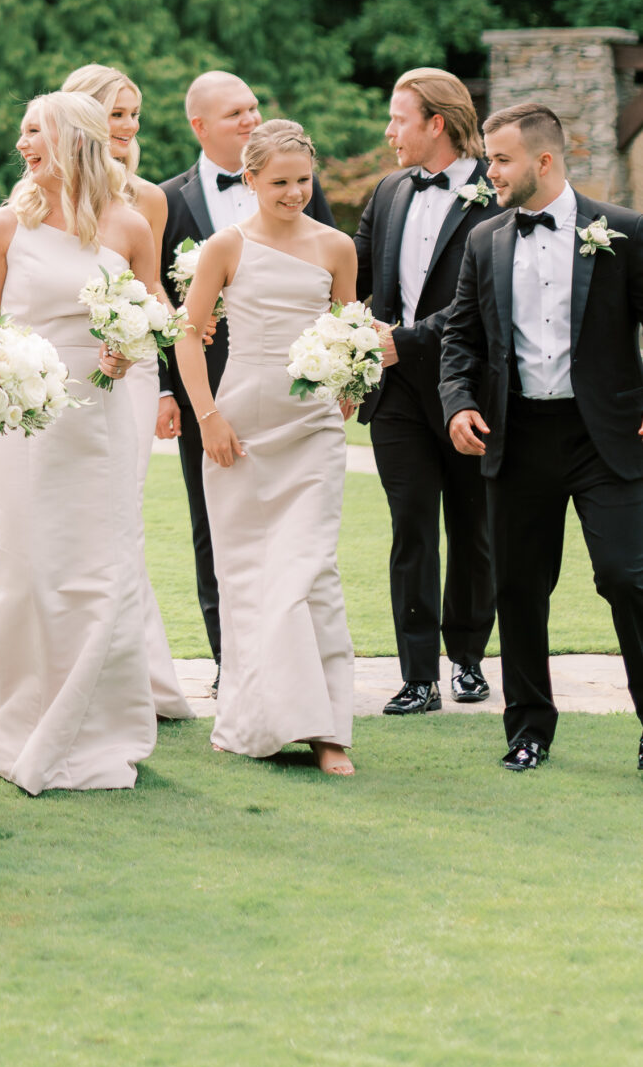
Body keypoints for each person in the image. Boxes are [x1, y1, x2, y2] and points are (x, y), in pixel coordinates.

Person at [0, 92, 160, 792]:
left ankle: (98, 723)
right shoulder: (5, 227)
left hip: (101, 418)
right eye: (21, 132)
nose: (23, 144)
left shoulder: (130, 225)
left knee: (104, 567)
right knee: (31, 569)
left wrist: (129, 344)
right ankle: (12, 710)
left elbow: (152, 308)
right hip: (24, 423)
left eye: (33, 131)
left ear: (73, 139)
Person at [439, 101, 643, 775]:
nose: (489, 171)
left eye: (501, 159)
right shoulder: (484, 241)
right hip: (516, 436)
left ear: (544, 161)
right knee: (519, 588)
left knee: (627, 576)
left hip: (604, 438)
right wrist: (459, 405)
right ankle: (529, 730)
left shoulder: (624, 232)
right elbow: (461, 340)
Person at [174, 118, 357, 774]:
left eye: (303, 180)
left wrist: (352, 378)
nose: (293, 193)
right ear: (249, 180)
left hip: (311, 428)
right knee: (250, 577)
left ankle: (328, 729)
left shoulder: (337, 247)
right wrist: (208, 417)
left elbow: (346, 329)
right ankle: (256, 718)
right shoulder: (226, 246)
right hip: (242, 425)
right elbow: (188, 335)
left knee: (310, 571)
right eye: (279, 182)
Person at [158, 71, 337, 673]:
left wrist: (351, 375)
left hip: (306, 405)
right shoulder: (170, 198)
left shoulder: (317, 216)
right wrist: (182, 398)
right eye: (236, 112)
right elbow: (163, 300)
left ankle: (305, 684)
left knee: (309, 554)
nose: (250, 119)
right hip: (216, 394)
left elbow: (341, 310)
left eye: (254, 107)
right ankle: (228, 661)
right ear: (201, 125)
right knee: (220, 537)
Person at [354, 68, 496, 715]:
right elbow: (349, 272)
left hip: (468, 389)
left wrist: (404, 341)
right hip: (397, 397)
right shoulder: (386, 192)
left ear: (436, 123)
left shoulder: (498, 196)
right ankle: (418, 676)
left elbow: (484, 306)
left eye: (398, 119)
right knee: (410, 529)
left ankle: (467, 659)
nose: (389, 132)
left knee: (473, 528)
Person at [62, 63, 193, 723]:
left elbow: (156, 300)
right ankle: (73, 664)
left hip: (133, 373)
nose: (130, 126)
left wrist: (155, 359)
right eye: (117, 113)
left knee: (121, 517)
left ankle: (134, 677)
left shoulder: (148, 199)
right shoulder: (40, 194)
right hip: (61, 374)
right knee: (73, 519)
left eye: (135, 114)